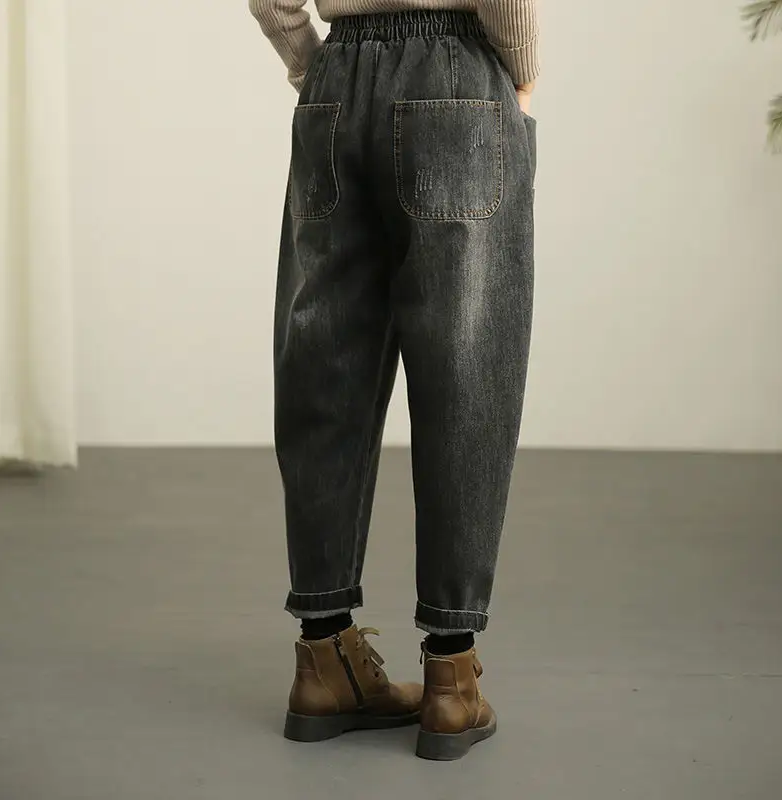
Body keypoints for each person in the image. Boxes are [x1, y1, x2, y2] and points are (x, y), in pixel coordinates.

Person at [249, 0, 538, 761]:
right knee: (466, 370)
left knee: (323, 361)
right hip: (457, 74)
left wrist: (314, 64)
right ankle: (451, 676)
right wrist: (521, 70)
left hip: (336, 83)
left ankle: (324, 658)